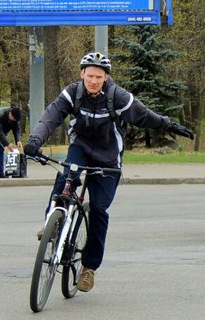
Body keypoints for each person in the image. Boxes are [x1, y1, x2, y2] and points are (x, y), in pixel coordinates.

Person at [23, 52, 194, 293]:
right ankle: (53, 222)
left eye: (99, 77)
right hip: (81, 147)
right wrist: (34, 141)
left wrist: (170, 125)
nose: (93, 80)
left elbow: (145, 116)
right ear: (82, 74)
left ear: (106, 78)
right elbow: (50, 118)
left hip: (108, 157)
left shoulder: (118, 97)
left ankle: (88, 268)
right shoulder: (72, 93)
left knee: (99, 210)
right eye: (90, 75)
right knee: (66, 177)